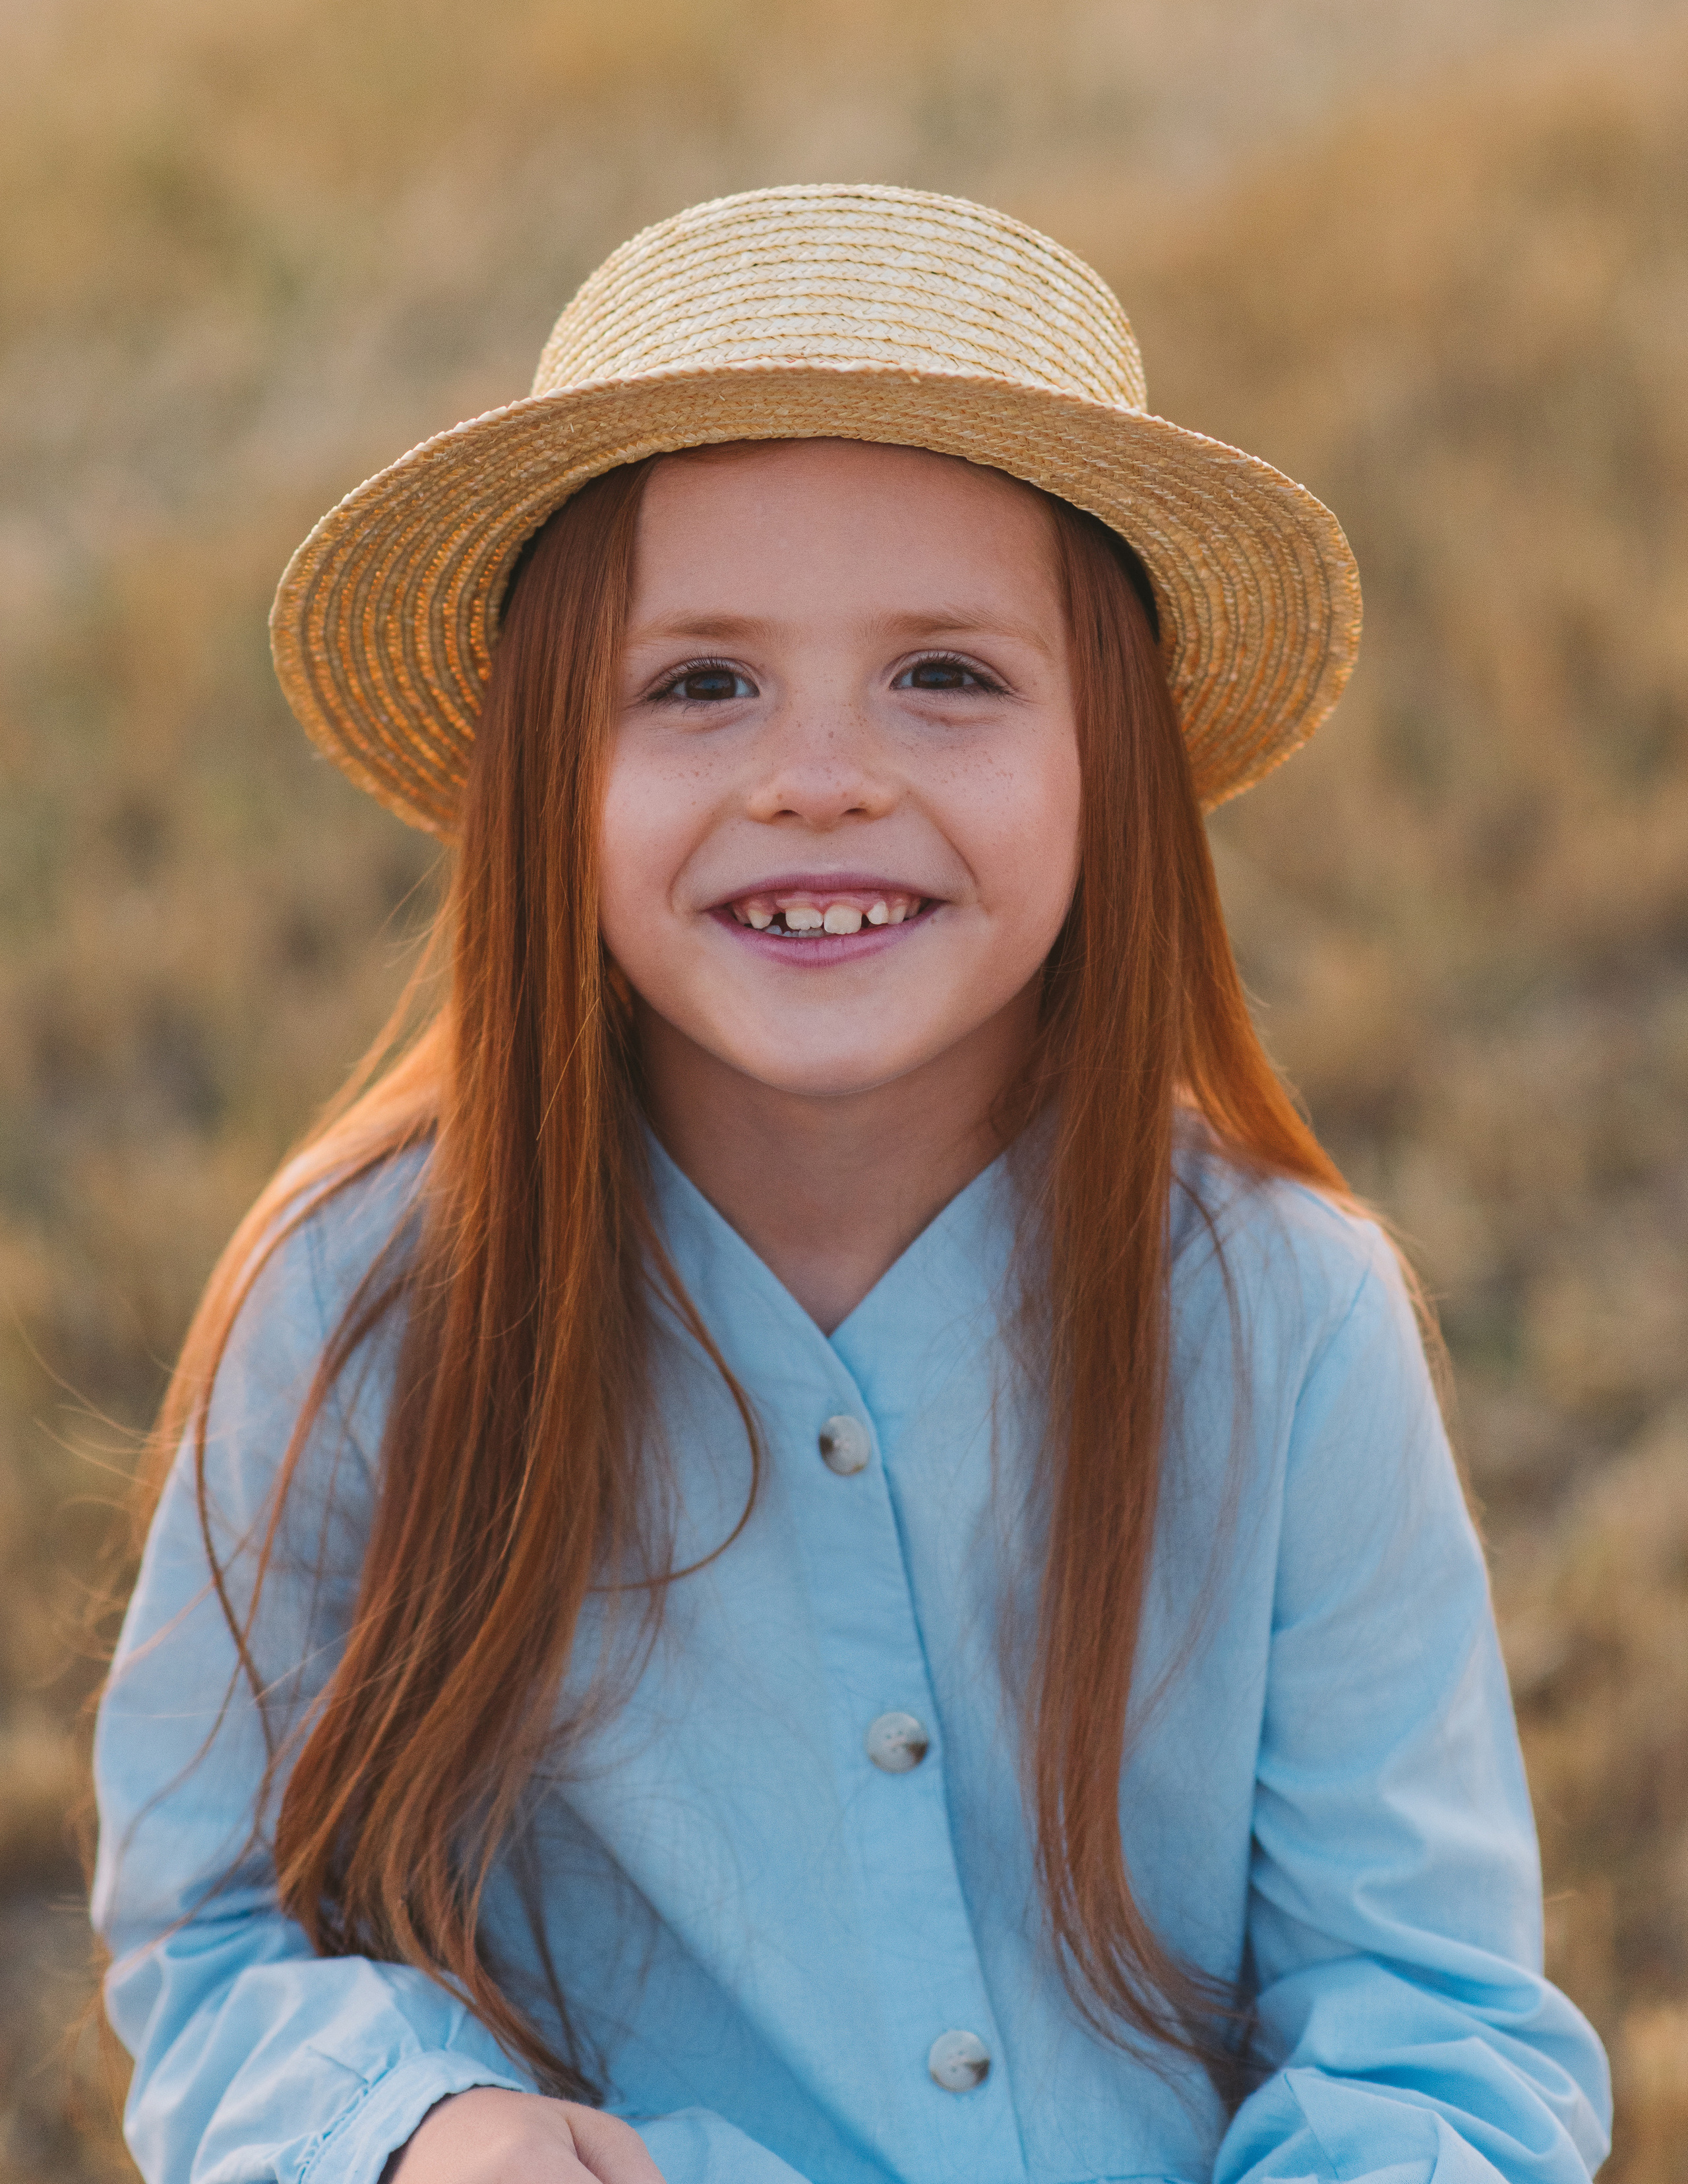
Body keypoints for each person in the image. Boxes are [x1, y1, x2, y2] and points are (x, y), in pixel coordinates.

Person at [92, 185, 1610, 2184]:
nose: (820, 775)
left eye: (947, 678)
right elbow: (211, 1935)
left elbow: (1435, 2022)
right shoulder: (363, 1298)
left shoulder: (1286, 1314)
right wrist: (412, 2126)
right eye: (702, 682)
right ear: (552, 765)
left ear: (1113, 767)